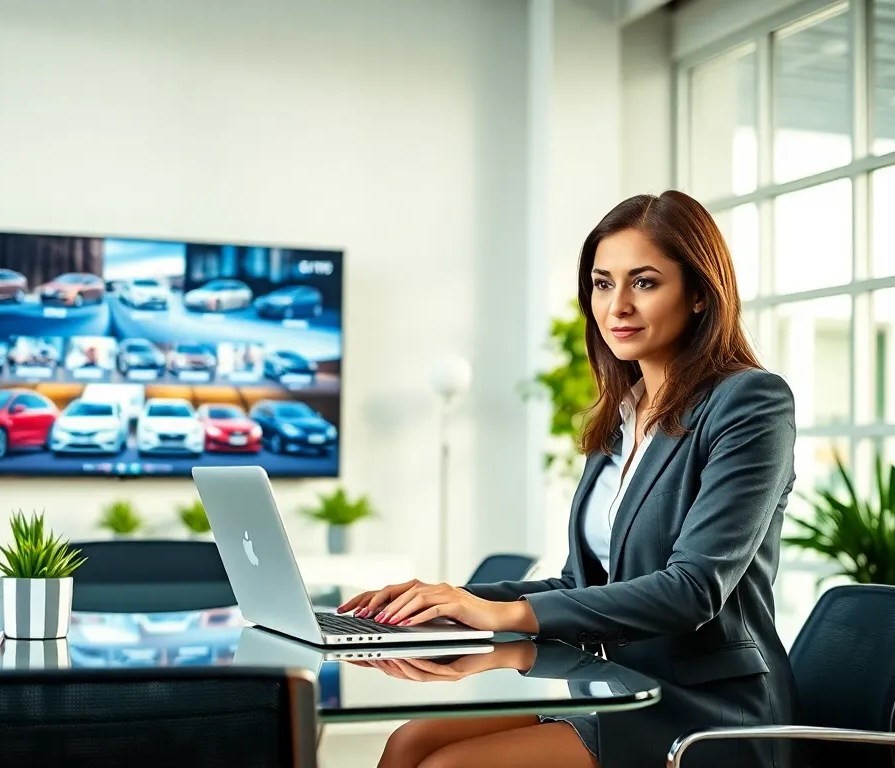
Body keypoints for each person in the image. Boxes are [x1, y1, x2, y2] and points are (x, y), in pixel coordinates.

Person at [338, 190, 799, 768]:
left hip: (708, 711)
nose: (617, 306)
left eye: (644, 282)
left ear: (701, 293)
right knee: (410, 741)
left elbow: (693, 589)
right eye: (603, 284)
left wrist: (503, 617)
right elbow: (579, 582)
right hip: (614, 688)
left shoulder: (750, 402)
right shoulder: (621, 416)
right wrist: (445, 603)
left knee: (447, 767)